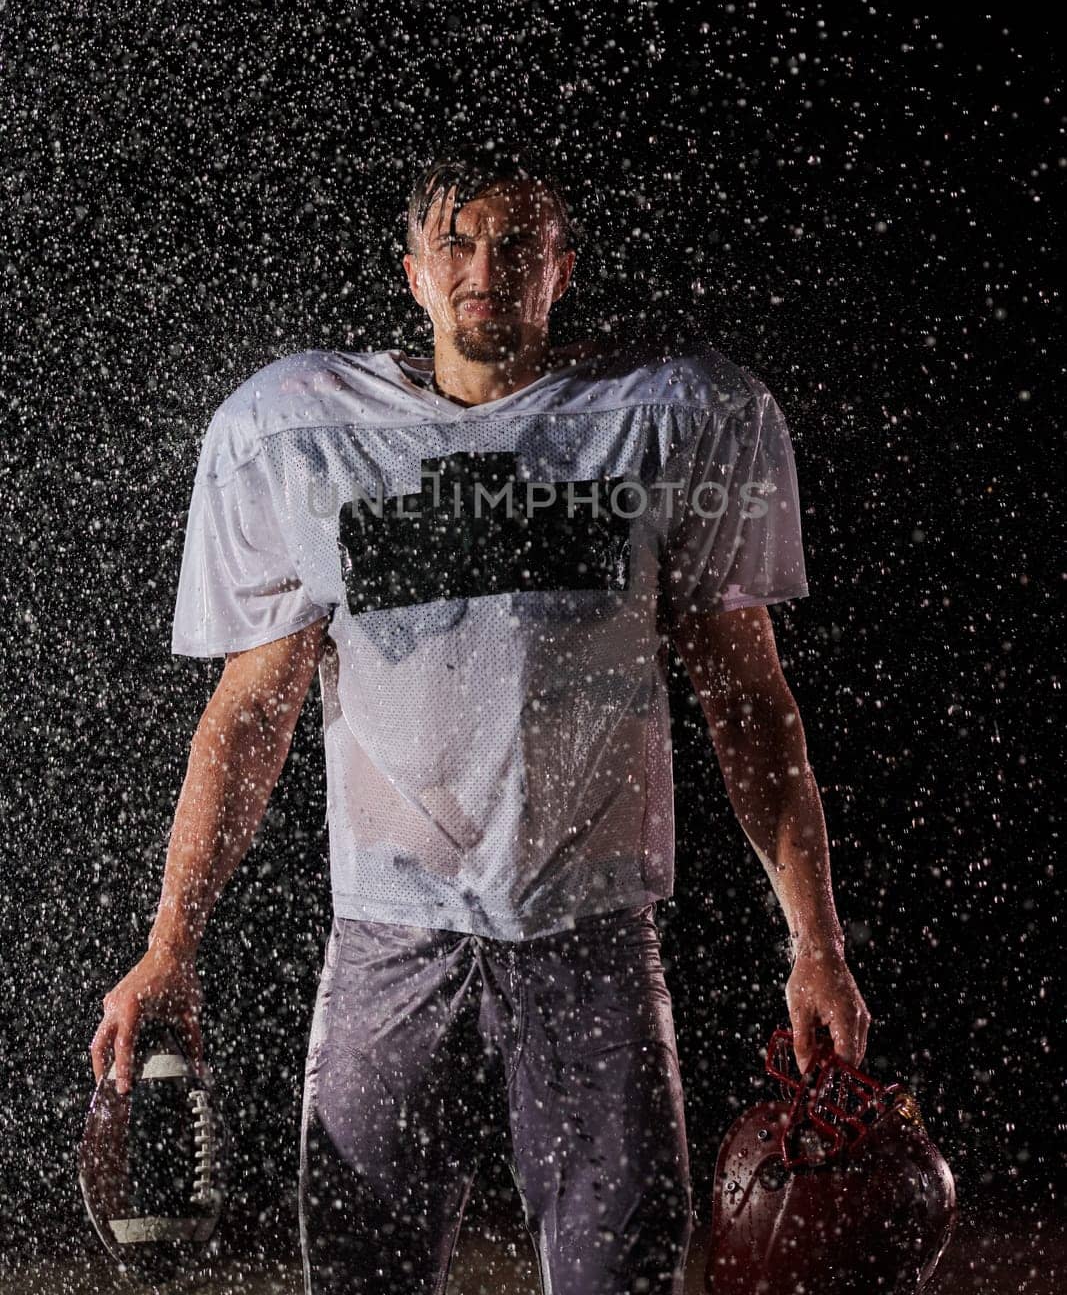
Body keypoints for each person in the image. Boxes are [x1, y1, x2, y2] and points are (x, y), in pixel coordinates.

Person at [91, 141, 870, 1294]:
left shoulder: (667, 419)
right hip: (388, 941)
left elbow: (750, 710)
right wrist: (170, 942)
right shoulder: (303, 432)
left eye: (516, 244)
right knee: (362, 1281)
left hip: (592, 933)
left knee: (622, 1279)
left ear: (562, 266)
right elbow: (245, 720)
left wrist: (817, 946)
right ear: (411, 270)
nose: (483, 268)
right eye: (455, 242)